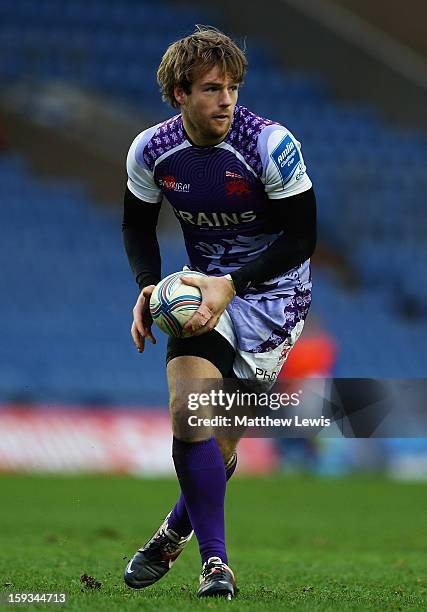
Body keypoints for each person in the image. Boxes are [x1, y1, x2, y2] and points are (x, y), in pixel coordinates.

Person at [122, 26, 316, 599]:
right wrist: (148, 286)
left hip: (274, 300)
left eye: (232, 87)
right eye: (211, 88)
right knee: (190, 413)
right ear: (180, 94)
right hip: (201, 298)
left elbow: (302, 236)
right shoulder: (152, 151)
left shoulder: (268, 144)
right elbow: (137, 224)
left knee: (222, 447)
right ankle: (216, 565)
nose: (227, 99)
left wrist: (234, 283)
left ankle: (171, 532)